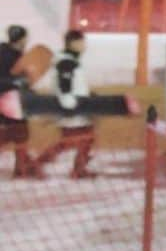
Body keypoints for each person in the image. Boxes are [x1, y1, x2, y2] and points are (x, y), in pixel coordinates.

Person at [35, 30, 96, 179]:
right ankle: (36, 164)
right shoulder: (66, 62)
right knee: (69, 142)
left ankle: (79, 168)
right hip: (71, 107)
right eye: (82, 42)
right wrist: (69, 104)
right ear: (73, 43)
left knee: (86, 137)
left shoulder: (70, 60)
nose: (84, 46)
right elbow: (64, 86)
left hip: (76, 105)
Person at [0, 24, 38, 178]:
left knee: (18, 133)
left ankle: (22, 166)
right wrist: (16, 82)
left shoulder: (14, 54)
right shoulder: (6, 55)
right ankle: (22, 168)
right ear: (21, 38)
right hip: (9, 100)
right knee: (18, 133)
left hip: (13, 99)